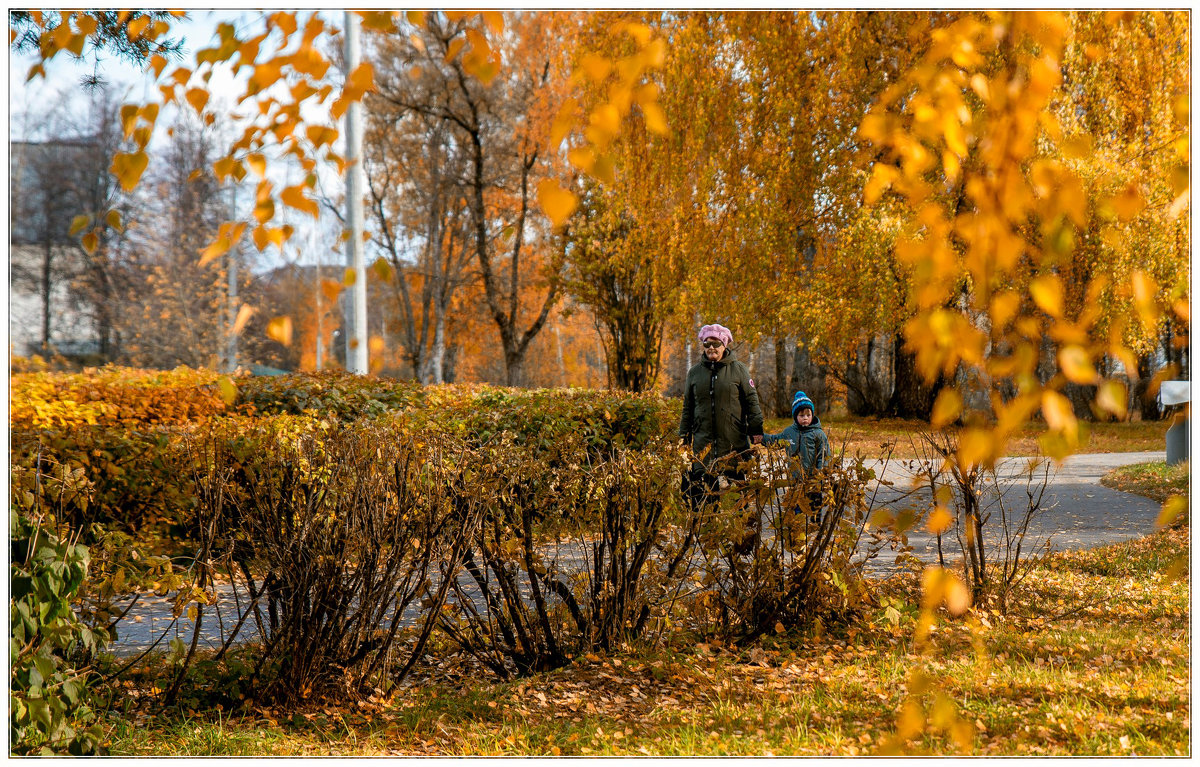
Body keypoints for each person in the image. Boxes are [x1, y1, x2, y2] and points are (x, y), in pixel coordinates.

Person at [678, 323, 764, 514]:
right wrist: (683, 437)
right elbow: (688, 408)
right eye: (707, 344)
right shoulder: (694, 373)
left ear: (724, 344)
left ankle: (741, 538)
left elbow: (752, 401)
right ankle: (706, 536)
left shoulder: (739, 369)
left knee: (739, 499)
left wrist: (756, 429)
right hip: (703, 446)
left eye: (715, 344)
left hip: (734, 444)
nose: (711, 348)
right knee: (703, 499)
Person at [763, 390, 830, 516]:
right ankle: (797, 526)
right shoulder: (789, 432)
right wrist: (761, 437)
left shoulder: (818, 434)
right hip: (796, 480)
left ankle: (815, 527)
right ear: (795, 417)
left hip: (813, 480)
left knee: (814, 506)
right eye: (801, 415)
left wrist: (821, 474)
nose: (805, 418)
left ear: (812, 415)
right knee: (797, 506)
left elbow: (824, 455)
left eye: (808, 415)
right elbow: (775, 441)